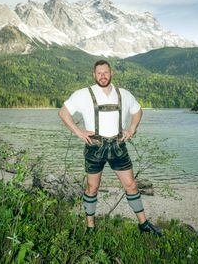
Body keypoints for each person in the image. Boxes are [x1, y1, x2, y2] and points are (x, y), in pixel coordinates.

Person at [59, 59, 162, 236]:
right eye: (99, 73)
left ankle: (143, 224)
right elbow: (63, 112)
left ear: (111, 73)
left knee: (131, 185)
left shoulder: (123, 94)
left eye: (105, 72)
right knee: (92, 188)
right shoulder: (83, 94)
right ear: (94, 75)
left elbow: (138, 111)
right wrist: (79, 132)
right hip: (94, 147)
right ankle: (90, 226)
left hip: (118, 146)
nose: (102, 76)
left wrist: (131, 128)